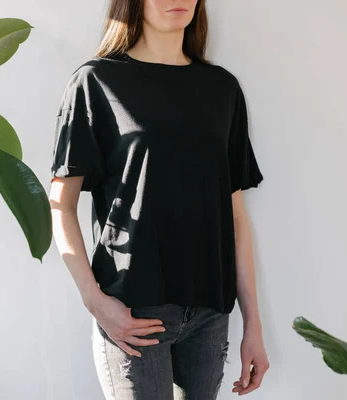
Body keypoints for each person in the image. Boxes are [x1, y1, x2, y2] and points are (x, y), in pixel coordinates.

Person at [48, 0, 270, 398]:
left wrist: (253, 324)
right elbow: (60, 205)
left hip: (210, 314)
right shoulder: (96, 82)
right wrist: (94, 300)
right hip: (133, 310)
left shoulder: (222, 89)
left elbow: (235, 216)